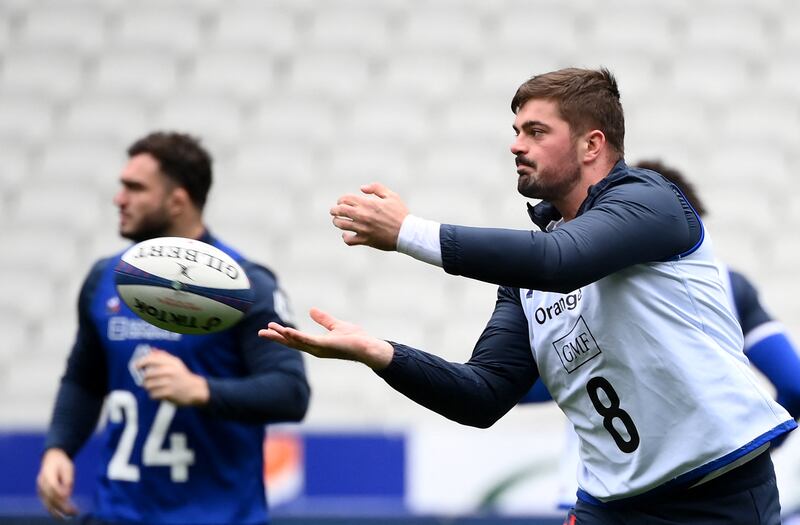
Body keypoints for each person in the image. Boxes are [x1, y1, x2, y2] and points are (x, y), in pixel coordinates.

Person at [259, 68, 796, 524]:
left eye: (536, 131)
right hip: (609, 505)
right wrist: (380, 353)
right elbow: (483, 395)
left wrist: (407, 233)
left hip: (718, 495)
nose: (516, 145)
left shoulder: (648, 200)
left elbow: (561, 265)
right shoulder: (527, 275)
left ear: (592, 144)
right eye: (516, 131)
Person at [36, 131, 310, 524]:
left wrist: (201, 390)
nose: (119, 198)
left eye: (135, 188)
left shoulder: (246, 285)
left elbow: (291, 392)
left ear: (177, 200)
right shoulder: (104, 278)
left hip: (217, 517)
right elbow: (83, 378)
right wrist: (59, 447)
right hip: (119, 514)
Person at [519, 158, 800, 515]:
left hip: (606, 492)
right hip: (709, 487)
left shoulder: (575, 283)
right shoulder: (727, 284)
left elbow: (536, 384)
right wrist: (750, 453)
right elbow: (795, 385)